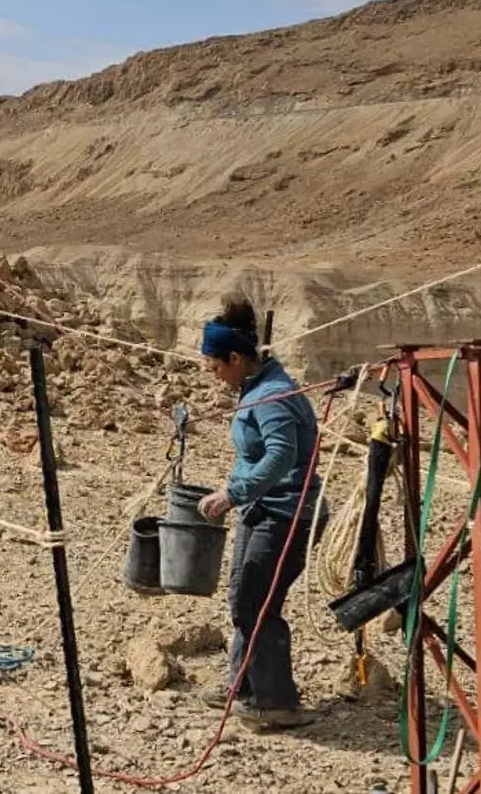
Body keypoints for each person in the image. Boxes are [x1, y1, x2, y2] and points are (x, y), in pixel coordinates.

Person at [196, 296, 319, 731]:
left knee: (257, 602)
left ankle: (277, 702)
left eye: (216, 367)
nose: (214, 376)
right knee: (243, 596)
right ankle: (242, 686)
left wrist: (233, 493)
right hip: (261, 507)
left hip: (285, 513)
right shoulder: (258, 387)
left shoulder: (269, 396)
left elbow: (281, 455)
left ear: (235, 358)